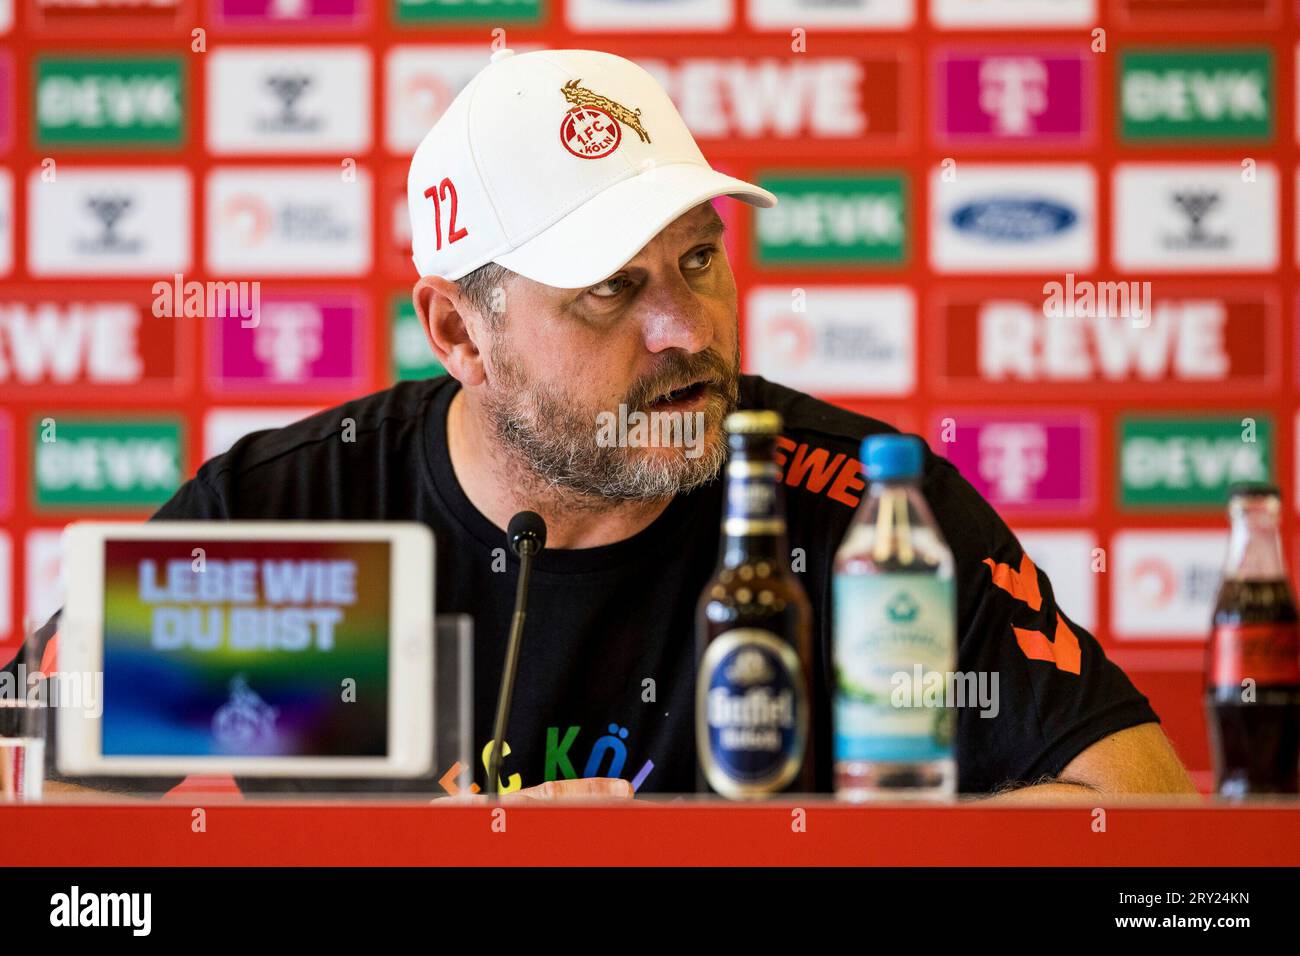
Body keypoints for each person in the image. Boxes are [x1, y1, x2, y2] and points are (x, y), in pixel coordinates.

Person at [22, 48, 1193, 801]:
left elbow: (1140, 809)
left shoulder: (861, 509)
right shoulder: (300, 512)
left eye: (698, 259)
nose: (686, 327)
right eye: (610, 290)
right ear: (458, 333)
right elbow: (38, 794)